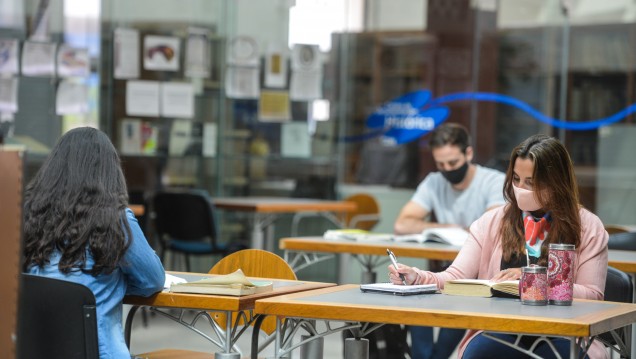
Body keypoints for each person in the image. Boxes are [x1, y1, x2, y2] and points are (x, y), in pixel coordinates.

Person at [389, 134, 609, 358]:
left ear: (556, 182)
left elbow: (592, 296)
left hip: (565, 333)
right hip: (500, 331)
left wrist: (531, 280)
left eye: (530, 182)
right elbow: (454, 276)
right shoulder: (492, 222)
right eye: (516, 179)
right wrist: (416, 277)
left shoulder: (588, 227)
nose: (520, 188)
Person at [22, 127, 165, 359]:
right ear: (109, 172)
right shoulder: (115, 219)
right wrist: (115, 282)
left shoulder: (27, 216)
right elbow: (153, 279)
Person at [394, 122, 505, 359]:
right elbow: (402, 224)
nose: (447, 169)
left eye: (452, 163)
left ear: (469, 153)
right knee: (415, 299)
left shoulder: (494, 182)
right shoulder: (435, 182)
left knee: (454, 302)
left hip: (476, 277)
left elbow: (494, 227)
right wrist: (450, 227)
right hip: (439, 270)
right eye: (441, 164)